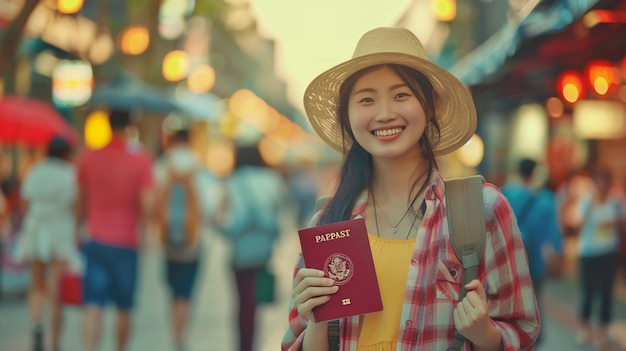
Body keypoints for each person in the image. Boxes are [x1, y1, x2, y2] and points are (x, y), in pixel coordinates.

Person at [281, 27, 539, 351]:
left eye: (401, 94)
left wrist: (485, 334)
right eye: (366, 99)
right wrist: (317, 317)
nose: (385, 113)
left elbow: (523, 330)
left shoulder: (482, 210)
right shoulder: (328, 224)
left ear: (429, 105)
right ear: (347, 116)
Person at [76, 109, 154, 351]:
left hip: (95, 238)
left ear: (108, 126)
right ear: (129, 126)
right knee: (124, 307)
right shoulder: (141, 159)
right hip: (126, 242)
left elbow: (80, 199)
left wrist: (77, 227)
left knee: (93, 304)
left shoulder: (89, 157)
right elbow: (148, 204)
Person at [216, 144, 286, 351]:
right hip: (264, 252)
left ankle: (243, 345)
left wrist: (237, 228)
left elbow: (224, 222)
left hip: (240, 253)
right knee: (254, 304)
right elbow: (279, 217)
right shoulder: (273, 181)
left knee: (242, 303)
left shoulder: (232, 182)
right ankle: (253, 343)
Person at [13, 137, 80, 351]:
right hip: (60, 232)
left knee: (36, 284)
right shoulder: (70, 175)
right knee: (56, 288)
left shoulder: (35, 171)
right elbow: (76, 206)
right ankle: (56, 340)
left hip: (36, 230)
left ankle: (37, 323)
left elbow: (25, 203)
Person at [500, 158, 564, 345]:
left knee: (508, 301)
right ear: (534, 173)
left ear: (518, 171)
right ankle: (532, 338)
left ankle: (510, 338)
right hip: (534, 262)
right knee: (534, 300)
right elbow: (553, 235)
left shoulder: (504, 193)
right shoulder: (545, 199)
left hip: (507, 260)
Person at [154, 127, 205, 351]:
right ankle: (180, 338)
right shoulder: (198, 165)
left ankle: (174, 334)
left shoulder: (164, 164)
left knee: (173, 291)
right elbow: (207, 207)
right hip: (193, 241)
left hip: (167, 240)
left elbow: (154, 201)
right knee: (186, 292)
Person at [575, 165, 625, 349]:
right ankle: (584, 327)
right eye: (599, 180)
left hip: (609, 252)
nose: (602, 184)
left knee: (606, 293)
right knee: (588, 292)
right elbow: (578, 225)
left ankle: (601, 332)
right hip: (588, 252)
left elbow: (622, 224)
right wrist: (592, 206)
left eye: (605, 180)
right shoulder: (587, 200)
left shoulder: (616, 201)